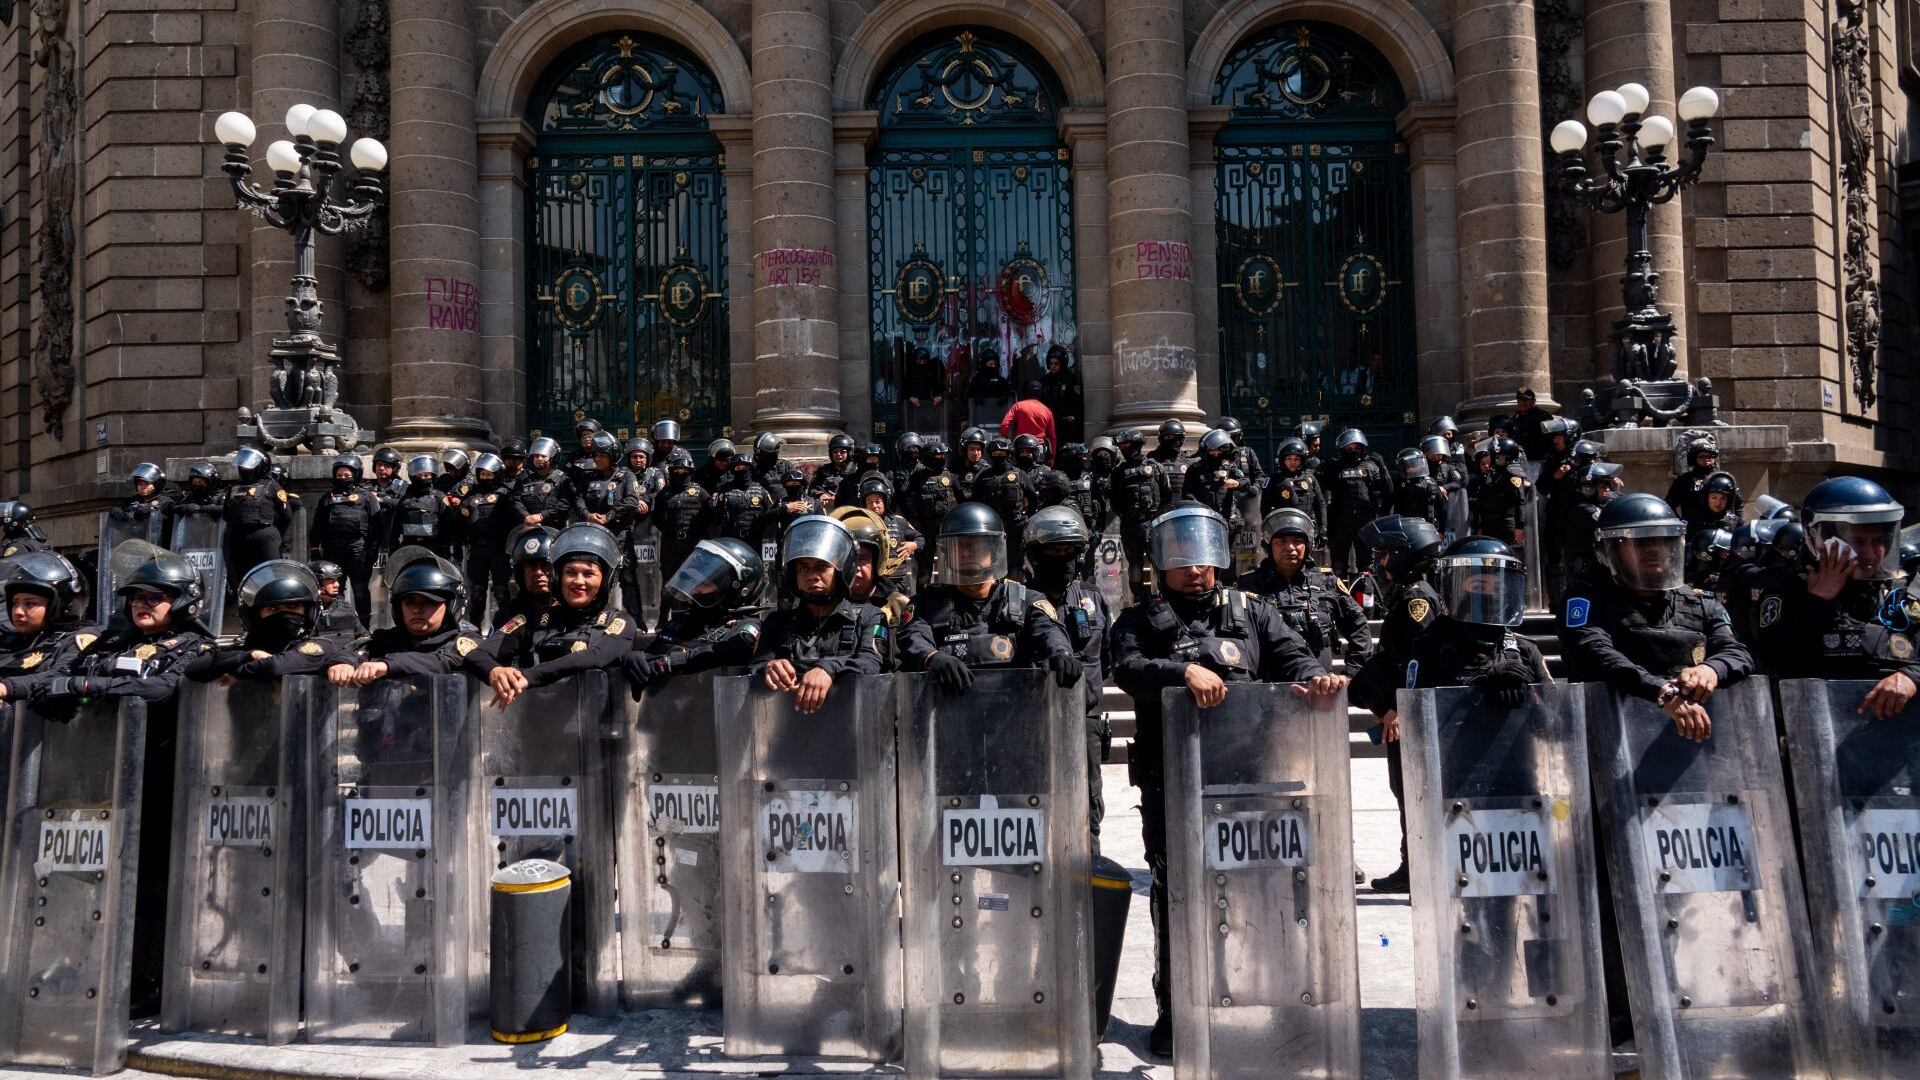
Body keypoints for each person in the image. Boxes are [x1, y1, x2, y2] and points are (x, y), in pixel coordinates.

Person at [1110, 505, 1347, 1057]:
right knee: (1178, 897)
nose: (1196, 570)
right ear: (1161, 563)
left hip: (1249, 780)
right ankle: (1176, 1008)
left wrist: (1316, 678)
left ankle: (1262, 1000)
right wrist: (1180, 671)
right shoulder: (1139, 620)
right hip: (1174, 781)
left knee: (1258, 892)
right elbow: (1125, 668)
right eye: (1183, 560)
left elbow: (1292, 654)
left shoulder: (1252, 611)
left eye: (1204, 559)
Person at [0, 546, 214, 1018]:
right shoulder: (108, 644)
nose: (143, 603)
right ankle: (81, 961)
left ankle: (147, 977)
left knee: (151, 888)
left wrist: (83, 689)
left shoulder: (194, 648)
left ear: (182, 601)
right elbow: (57, 678)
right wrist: (52, 691)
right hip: (100, 779)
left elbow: (158, 689)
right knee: (85, 881)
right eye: (136, 595)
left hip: (161, 784)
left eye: (155, 596)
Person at [1559, 494, 1754, 741]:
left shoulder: (1700, 602)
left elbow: (1738, 652)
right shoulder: (1587, 600)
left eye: (1661, 540)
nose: (1653, 549)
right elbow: (1592, 653)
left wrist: (1712, 669)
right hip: (1614, 741)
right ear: (1611, 549)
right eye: (1640, 543)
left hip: (1688, 741)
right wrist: (1661, 692)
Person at [1748, 476, 1920, 717]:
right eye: (1858, 541)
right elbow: (1776, 662)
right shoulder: (1784, 591)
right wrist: (1817, 602)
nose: (1870, 553)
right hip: (1817, 736)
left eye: (1879, 541)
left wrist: (1912, 676)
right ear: (1817, 537)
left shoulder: (1905, 594)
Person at [1346, 514, 1446, 893]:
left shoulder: (1415, 600)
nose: (1381, 562)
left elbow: (1416, 662)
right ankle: (1414, 864)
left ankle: (1418, 867)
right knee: (1405, 791)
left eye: (1387, 554)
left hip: (1410, 718)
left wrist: (1399, 709)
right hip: (1401, 712)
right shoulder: (1408, 594)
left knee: (1413, 791)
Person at [900, 502, 1080, 691]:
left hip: (1014, 714)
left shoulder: (1026, 600)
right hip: (948, 714)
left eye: (976, 546)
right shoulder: (925, 604)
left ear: (994, 551)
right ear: (947, 553)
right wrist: (931, 657)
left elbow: (1048, 630)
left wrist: (1060, 652)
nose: (967, 553)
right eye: (960, 547)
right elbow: (913, 636)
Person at [1022, 505, 1111, 847]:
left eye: (1069, 551)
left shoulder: (1093, 599)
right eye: (1053, 551)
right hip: (1032, 718)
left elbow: (1107, 658)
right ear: (1035, 554)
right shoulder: (1017, 601)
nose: (1062, 559)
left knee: (1088, 811)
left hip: (1083, 719)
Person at [482, 524, 635, 707]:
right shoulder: (531, 619)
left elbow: (597, 656)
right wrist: (494, 670)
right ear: (557, 577)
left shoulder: (618, 621)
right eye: (570, 572)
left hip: (598, 728)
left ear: (605, 581)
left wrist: (529, 676)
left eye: (588, 574)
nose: (579, 581)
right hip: (537, 724)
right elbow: (481, 653)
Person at [751, 514, 890, 712]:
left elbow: (871, 663)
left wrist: (828, 668)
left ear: (841, 569)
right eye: (804, 568)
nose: (812, 576)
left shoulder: (869, 616)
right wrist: (770, 666)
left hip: (851, 728)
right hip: (786, 729)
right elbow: (755, 666)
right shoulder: (777, 622)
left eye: (822, 566)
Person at [625, 537, 767, 693]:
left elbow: (729, 651)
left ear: (736, 590)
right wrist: (633, 659)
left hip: (716, 713)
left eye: (705, 584)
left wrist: (670, 662)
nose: (695, 589)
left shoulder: (747, 627)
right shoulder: (680, 622)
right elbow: (651, 657)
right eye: (695, 581)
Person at [327, 552, 489, 684]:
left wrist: (387, 665)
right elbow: (354, 650)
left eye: (429, 602)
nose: (417, 609)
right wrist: (342, 663)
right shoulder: (385, 639)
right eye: (410, 602)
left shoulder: (463, 641)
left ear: (451, 606)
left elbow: (442, 661)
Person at [1242, 508, 1371, 670]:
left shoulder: (1328, 583)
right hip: (1268, 688)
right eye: (1281, 541)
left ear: (1307, 546)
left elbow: (1359, 626)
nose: (1290, 548)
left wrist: (1351, 673)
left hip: (1320, 687)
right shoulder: (1249, 585)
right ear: (1269, 546)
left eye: (1297, 541)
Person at [186, 560, 355, 683]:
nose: (284, 614)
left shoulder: (320, 647)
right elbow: (194, 668)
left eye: (293, 607)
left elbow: (274, 667)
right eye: (273, 609)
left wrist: (236, 670)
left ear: (309, 612)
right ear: (254, 615)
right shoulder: (247, 650)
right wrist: (248, 655)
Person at [310, 452, 379, 626]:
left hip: (358, 550)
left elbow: (377, 526)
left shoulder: (367, 497)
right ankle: (335, 623)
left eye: (347, 475)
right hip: (333, 550)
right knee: (334, 589)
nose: (343, 478)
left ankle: (364, 627)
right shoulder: (327, 498)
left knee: (360, 589)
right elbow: (317, 525)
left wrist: (372, 551)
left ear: (356, 475)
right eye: (339, 475)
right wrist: (314, 548)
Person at [0, 551, 90, 678]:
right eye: (15, 603)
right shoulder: (10, 640)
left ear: (61, 605)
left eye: (30, 604)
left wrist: (7, 688)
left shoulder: (77, 640)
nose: (18, 612)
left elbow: (57, 676)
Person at [1324, 429, 1393, 576]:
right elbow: (1321, 488)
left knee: (1366, 566)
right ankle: (1340, 597)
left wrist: (1383, 467)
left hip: (1365, 520)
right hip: (1341, 522)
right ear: (1342, 449)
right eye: (1349, 448)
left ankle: (1365, 598)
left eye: (1356, 447)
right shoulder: (1335, 467)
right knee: (1339, 565)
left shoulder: (1370, 466)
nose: (1353, 451)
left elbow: (1388, 489)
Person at [1111, 430, 1167, 603]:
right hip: (1130, 525)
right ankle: (1139, 599)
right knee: (1134, 566)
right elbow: (1115, 501)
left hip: (1153, 523)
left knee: (1159, 563)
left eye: (1126, 446)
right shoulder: (1119, 472)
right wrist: (1129, 516)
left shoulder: (1156, 467)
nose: (1124, 449)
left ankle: (1165, 597)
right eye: (1121, 447)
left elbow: (1166, 494)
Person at [222, 446, 292, 578]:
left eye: (248, 466)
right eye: (242, 466)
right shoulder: (233, 487)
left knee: (273, 574)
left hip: (265, 537)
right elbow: (226, 514)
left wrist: (275, 534)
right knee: (241, 577)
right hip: (239, 538)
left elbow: (286, 515)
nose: (244, 469)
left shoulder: (272, 486)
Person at [460, 453, 515, 624]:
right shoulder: (471, 494)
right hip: (477, 549)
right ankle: (475, 629)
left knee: (501, 591)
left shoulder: (505, 494)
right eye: (482, 474)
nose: (485, 478)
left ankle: (506, 628)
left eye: (489, 474)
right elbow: (461, 516)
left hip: (498, 549)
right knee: (476, 592)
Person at [972, 438, 1035, 579]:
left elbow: (1033, 499)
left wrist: (1026, 517)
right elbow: (975, 503)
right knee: (991, 566)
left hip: (1016, 529)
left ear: (1009, 454)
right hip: (991, 529)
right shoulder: (983, 477)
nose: (999, 456)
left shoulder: (1020, 475)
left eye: (1003, 453)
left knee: (1016, 567)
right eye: (996, 453)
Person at [1559, 461, 1625, 594]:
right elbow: (1609, 521)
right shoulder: (1582, 508)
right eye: (1603, 486)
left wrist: (1617, 493)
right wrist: (1616, 496)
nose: (1608, 490)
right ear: (1590, 489)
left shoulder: (1601, 504)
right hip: (1585, 567)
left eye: (1609, 486)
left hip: (1600, 565)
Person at [389, 453, 458, 559]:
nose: (423, 478)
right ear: (413, 476)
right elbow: (396, 523)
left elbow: (447, 524)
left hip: (433, 548)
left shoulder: (438, 497)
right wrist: (393, 545)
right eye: (419, 475)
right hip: (408, 547)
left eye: (426, 475)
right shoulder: (406, 496)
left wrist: (445, 548)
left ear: (432, 475)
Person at [493, 525, 558, 631]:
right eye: (531, 566)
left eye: (545, 565)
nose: (538, 572)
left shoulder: (570, 612)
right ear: (521, 573)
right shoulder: (507, 615)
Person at [512, 436, 576, 533]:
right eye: (536, 456)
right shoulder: (524, 479)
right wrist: (527, 517)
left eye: (543, 456)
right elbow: (516, 500)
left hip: (555, 530)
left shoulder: (563, 479)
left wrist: (541, 516)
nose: (539, 459)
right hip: (528, 529)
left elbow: (564, 504)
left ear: (552, 458)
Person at [1662, 436, 1721, 521]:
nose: (1706, 459)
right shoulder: (1684, 480)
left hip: (1718, 526)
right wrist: (1679, 522)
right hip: (1693, 528)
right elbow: (1669, 505)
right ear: (1694, 458)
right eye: (1702, 456)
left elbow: (1737, 504)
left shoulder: (1721, 478)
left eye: (1710, 456)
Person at [109, 462, 175, 536]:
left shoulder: (165, 502)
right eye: (140, 484)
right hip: (134, 542)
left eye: (146, 483)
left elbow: (170, 526)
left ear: (156, 484)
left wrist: (152, 512)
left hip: (156, 544)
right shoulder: (131, 501)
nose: (142, 486)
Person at [1000, 382, 1058, 463]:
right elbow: (1052, 437)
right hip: (1038, 448)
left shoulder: (1018, 406)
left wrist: (1009, 442)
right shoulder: (1047, 410)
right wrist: (1052, 457)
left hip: (1020, 448)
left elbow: (1005, 425)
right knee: (1038, 474)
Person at [309, 558, 364, 642]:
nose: (337, 585)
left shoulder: (346, 609)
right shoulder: (303, 611)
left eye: (337, 580)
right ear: (316, 583)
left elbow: (362, 637)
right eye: (331, 581)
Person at [1391, 448, 1448, 525]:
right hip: (1404, 528)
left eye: (1415, 464)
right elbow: (1386, 507)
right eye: (1410, 465)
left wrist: (1441, 531)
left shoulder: (1430, 483)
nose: (1413, 468)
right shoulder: (1397, 484)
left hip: (1428, 528)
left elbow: (1442, 509)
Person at [1040, 344, 1083, 443]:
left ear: (1062, 364)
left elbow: (1077, 403)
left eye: (1056, 364)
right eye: (1051, 364)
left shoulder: (1070, 379)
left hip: (1066, 425)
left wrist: (1072, 417)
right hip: (1049, 423)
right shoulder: (1045, 380)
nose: (1053, 366)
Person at [810, 433, 858, 505]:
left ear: (849, 453)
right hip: (827, 509)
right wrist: (820, 494)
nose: (838, 454)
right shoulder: (823, 471)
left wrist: (840, 498)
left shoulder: (856, 470)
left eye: (842, 452)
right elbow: (812, 489)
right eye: (835, 451)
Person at [1511, 385, 1555, 460]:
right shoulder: (1515, 418)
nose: (1522, 403)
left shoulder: (1543, 416)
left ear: (1534, 401)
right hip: (1520, 459)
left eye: (1526, 400)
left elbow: (1550, 440)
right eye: (1520, 400)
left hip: (1538, 459)